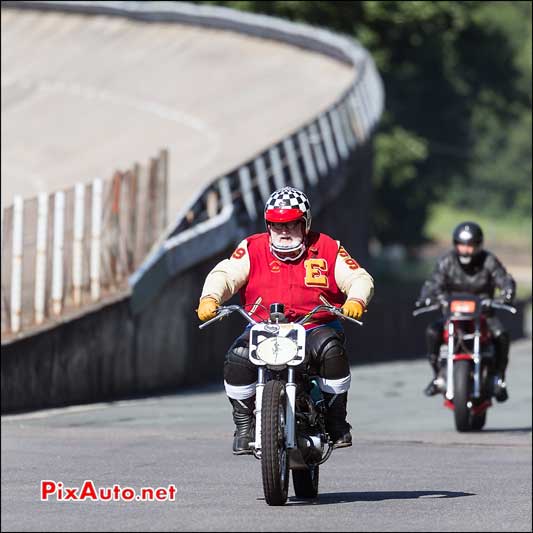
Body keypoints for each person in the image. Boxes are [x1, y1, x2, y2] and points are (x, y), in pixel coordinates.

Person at [196, 186, 374, 454]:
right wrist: (210, 297)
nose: (284, 231)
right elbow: (226, 273)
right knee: (237, 357)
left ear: (305, 223)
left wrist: (356, 299)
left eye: (291, 224)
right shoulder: (252, 247)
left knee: (332, 351)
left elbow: (358, 277)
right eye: (277, 225)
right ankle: (244, 426)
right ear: (268, 225)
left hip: (315, 326)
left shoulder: (327, 247)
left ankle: (337, 423)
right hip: (263, 327)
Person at [415, 221, 516, 401]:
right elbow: (433, 282)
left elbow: (504, 279)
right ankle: (438, 376)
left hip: (484, 315)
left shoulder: (489, 261)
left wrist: (507, 292)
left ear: (478, 245)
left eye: (470, 245)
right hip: (453, 316)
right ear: (455, 244)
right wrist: (427, 296)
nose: (466, 249)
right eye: (462, 244)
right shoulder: (447, 261)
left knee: (501, 335)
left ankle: (499, 378)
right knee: (432, 331)